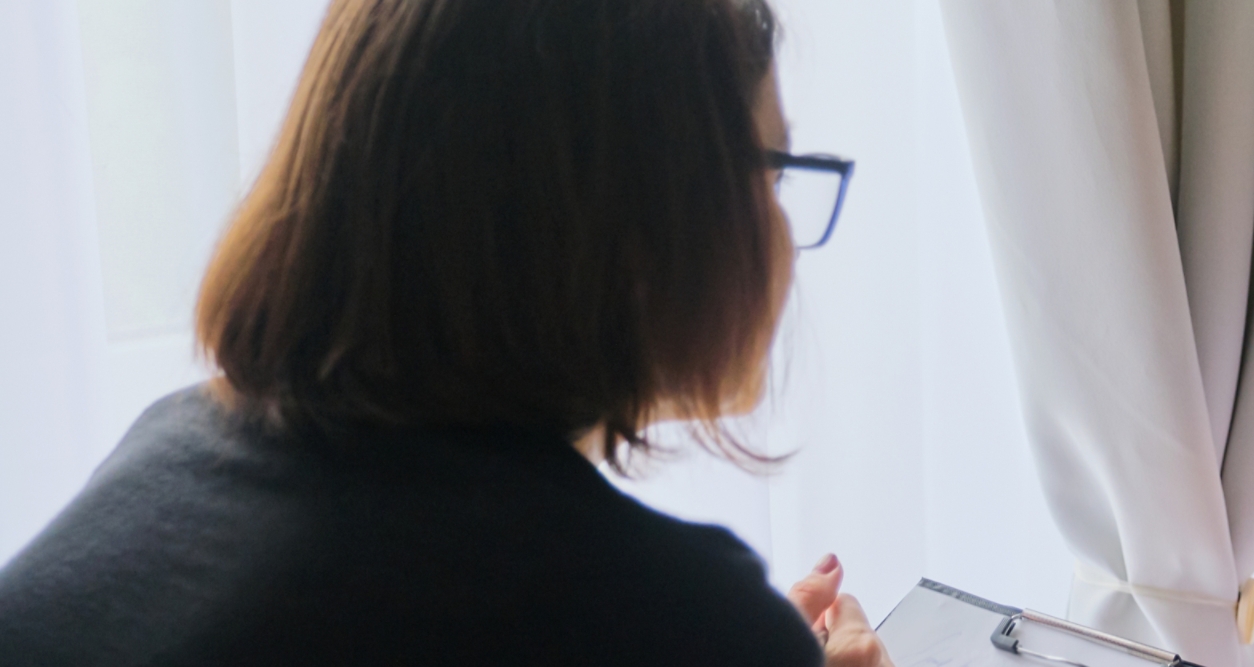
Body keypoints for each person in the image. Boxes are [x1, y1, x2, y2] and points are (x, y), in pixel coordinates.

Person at [0, 0, 888, 665]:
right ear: (637, 223)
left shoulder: (165, 447)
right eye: (772, 171)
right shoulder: (662, 617)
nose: (780, 230)